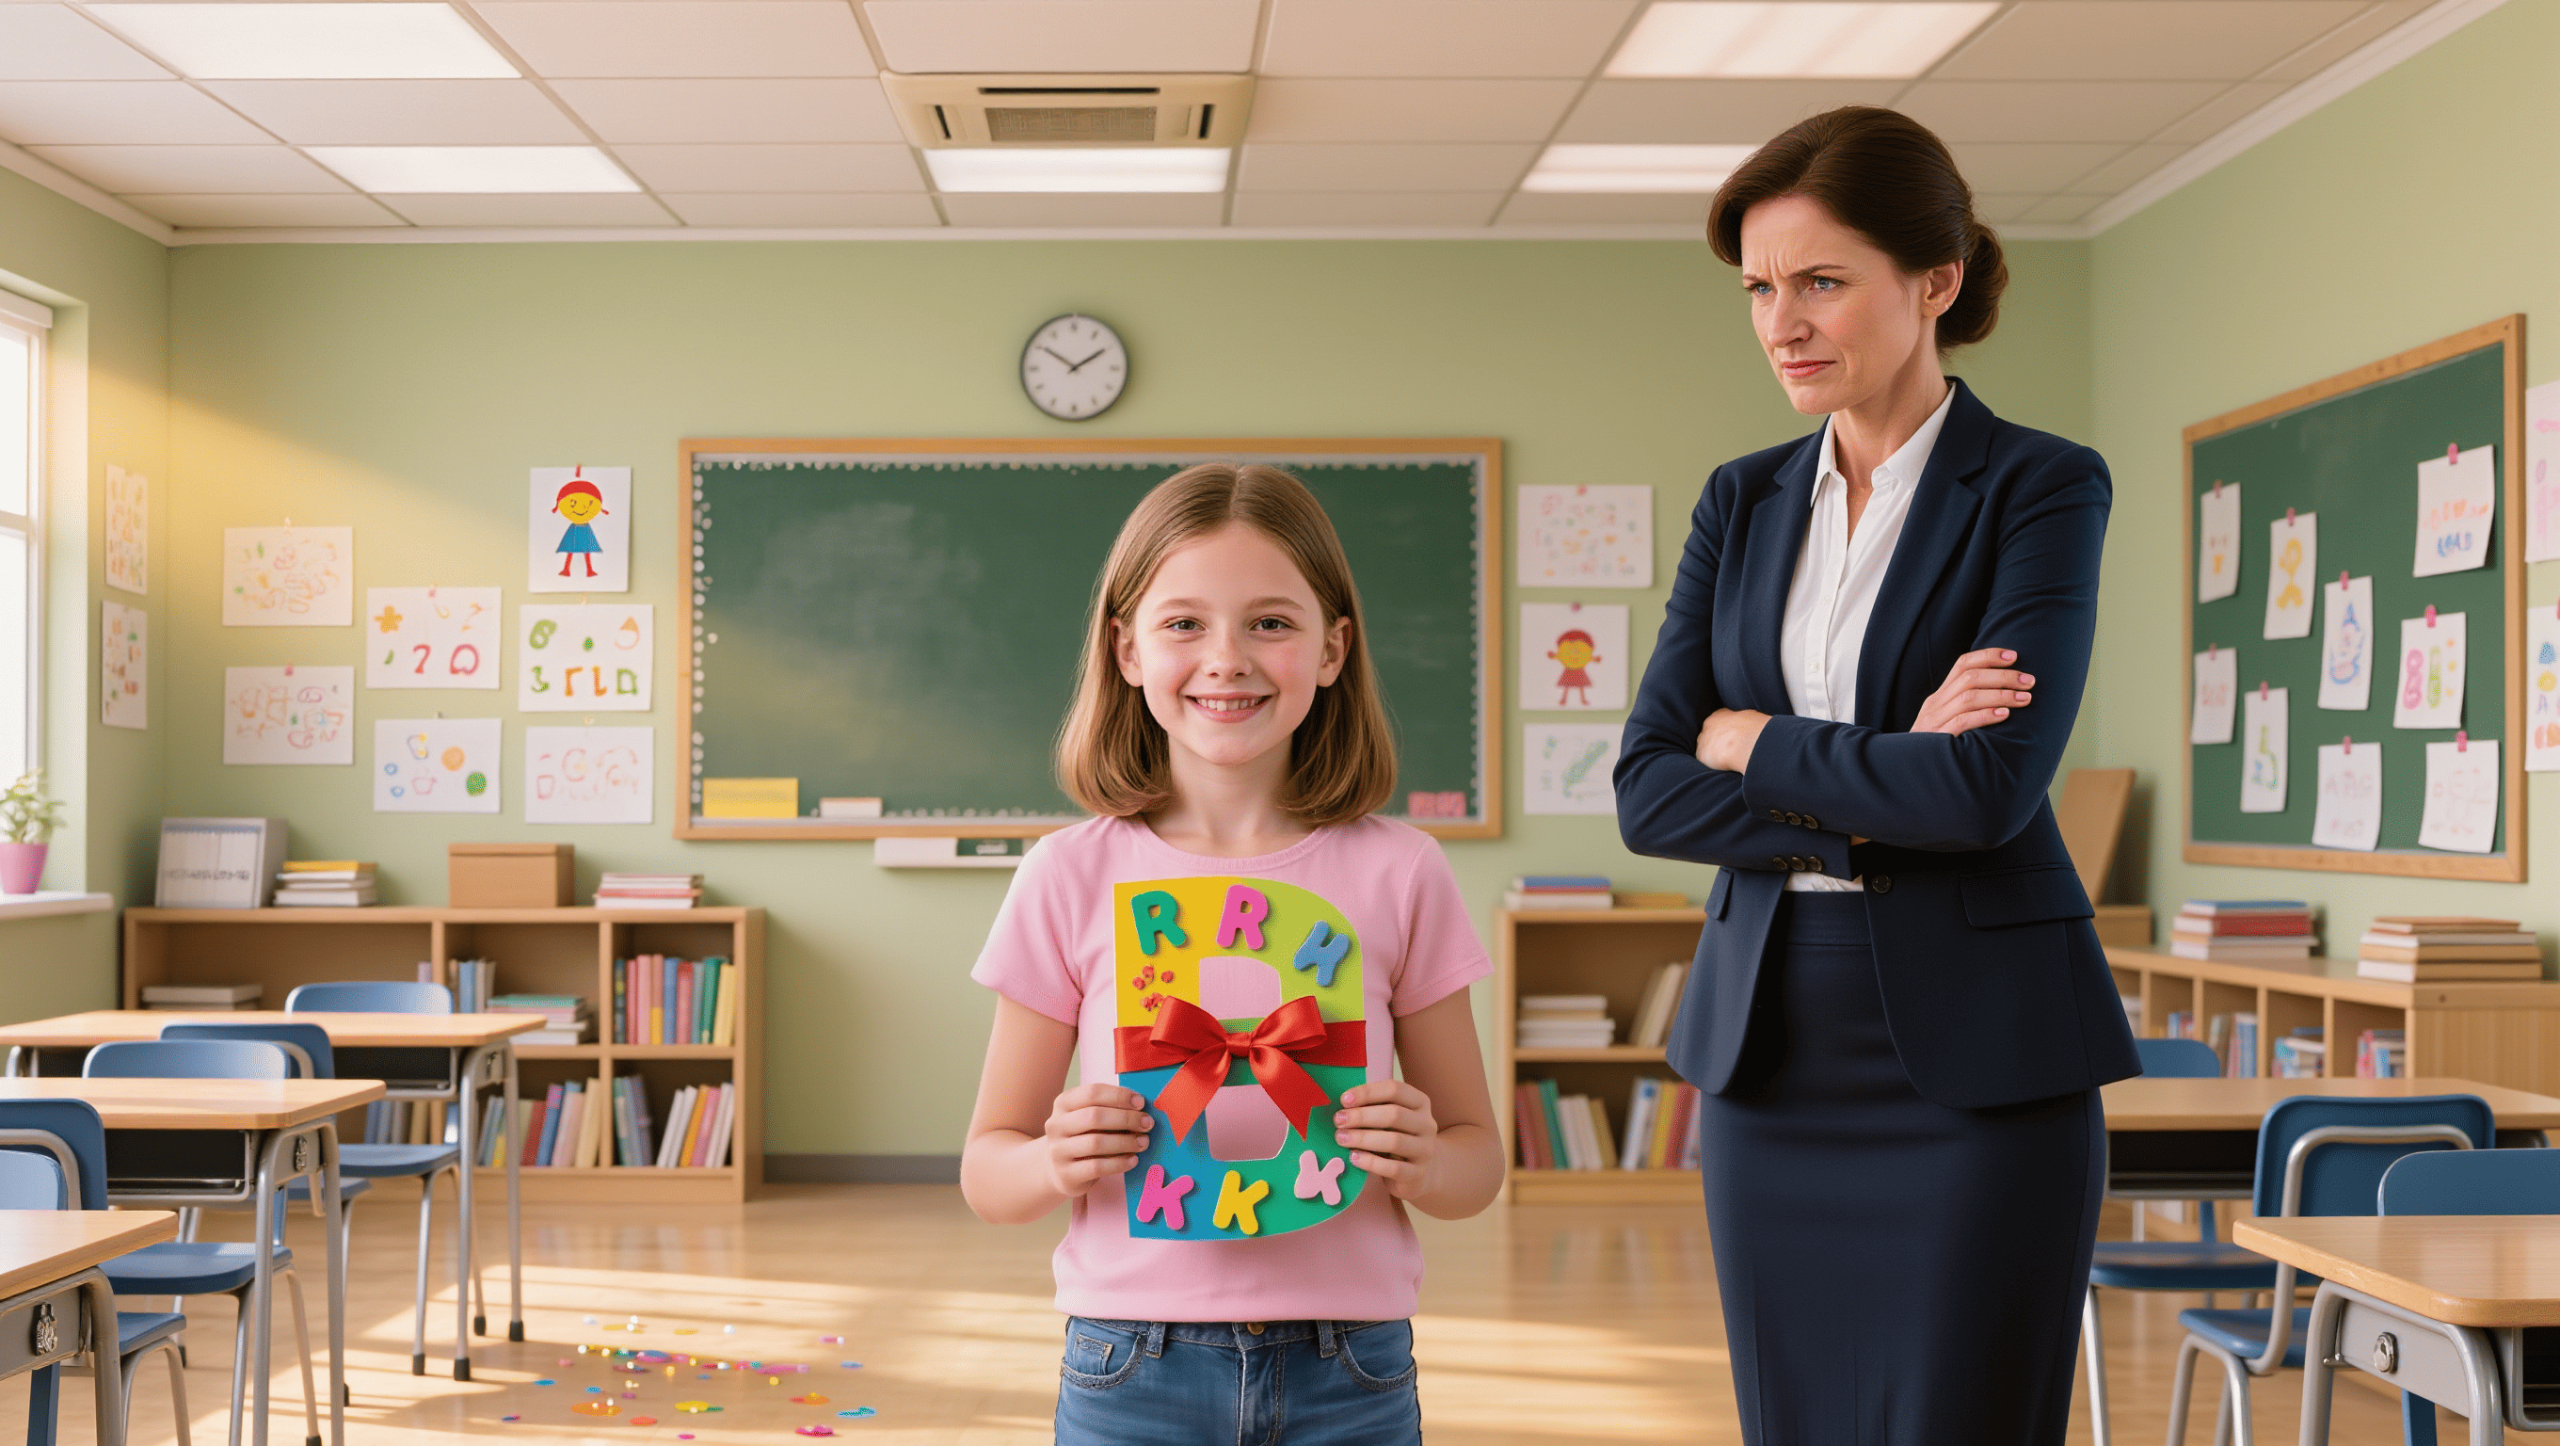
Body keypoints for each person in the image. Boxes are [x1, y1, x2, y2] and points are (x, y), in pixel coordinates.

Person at [1614, 106, 2141, 1444]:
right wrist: (1886, 769)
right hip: (1771, 1043)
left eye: (1821, 281)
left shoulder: (2040, 487)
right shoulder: (1740, 499)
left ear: (1937, 281)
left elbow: (1985, 795)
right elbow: (1648, 788)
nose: (1782, 320)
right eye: (1759, 288)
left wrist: (1759, 742)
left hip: (1980, 1058)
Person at [963, 463, 1504, 1446]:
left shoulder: (1403, 872)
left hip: (1351, 1361)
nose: (1227, 659)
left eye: (1270, 622)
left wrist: (1424, 1160)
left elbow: (1476, 1164)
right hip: (1130, 1360)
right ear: (1125, 649)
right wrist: (1053, 1160)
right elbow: (987, 1173)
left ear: (1333, 649)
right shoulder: (1066, 875)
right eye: (1183, 624)